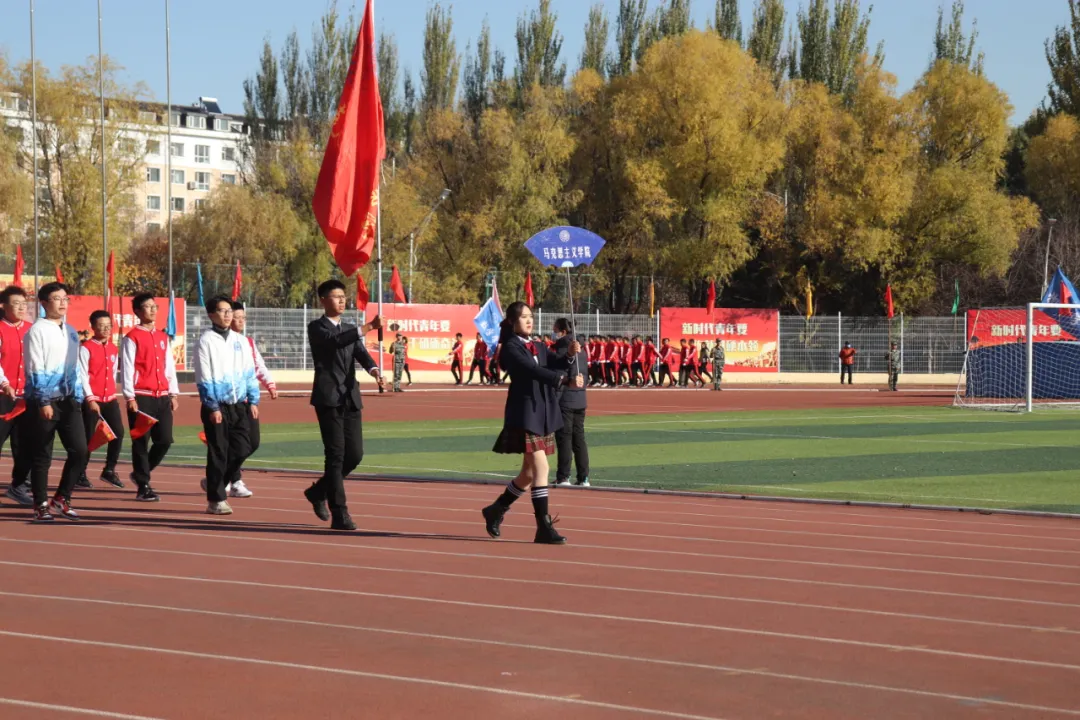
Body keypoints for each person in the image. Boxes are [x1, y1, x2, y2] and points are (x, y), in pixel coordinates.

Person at [481, 302, 580, 545]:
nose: (529, 320)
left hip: (543, 410)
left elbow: (555, 362)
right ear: (512, 321)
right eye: (523, 317)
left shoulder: (537, 344)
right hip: (526, 412)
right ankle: (543, 527)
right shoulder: (511, 348)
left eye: (531, 316)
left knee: (527, 474)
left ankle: (496, 509)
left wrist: (569, 355)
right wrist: (564, 381)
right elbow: (531, 371)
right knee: (541, 468)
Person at [303, 279, 384, 531]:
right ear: (323, 300)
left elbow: (359, 352)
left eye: (343, 296)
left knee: (354, 455)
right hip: (328, 398)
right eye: (336, 296)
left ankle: (318, 491)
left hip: (350, 396)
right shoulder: (317, 328)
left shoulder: (349, 328)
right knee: (335, 455)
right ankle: (340, 512)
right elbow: (336, 342)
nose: (341, 300)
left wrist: (374, 369)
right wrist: (368, 327)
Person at [24, 282, 87, 522]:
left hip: (69, 400)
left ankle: (61, 498)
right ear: (43, 303)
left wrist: (78, 396)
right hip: (43, 401)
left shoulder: (70, 331)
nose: (62, 303)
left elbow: (75, 367)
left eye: (65, 298)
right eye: (57, 298)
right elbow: (35, 367)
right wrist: (43, 401)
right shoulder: (37, 331)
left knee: (80, 450)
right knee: (43, 455)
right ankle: (40, 504)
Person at [195, 296, 259, 516]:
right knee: (219, 452)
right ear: (211, 315)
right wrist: (212, 406)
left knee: (244, 447)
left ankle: (215, 483)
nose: (227, 315)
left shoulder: (240, 341)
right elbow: (204, 376)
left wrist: (253, 399)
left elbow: (249, 372)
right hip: (217, 405)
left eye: (229, 311)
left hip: (238, 404)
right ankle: (216, 500)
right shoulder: (206, 341)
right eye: (222, 311)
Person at [120, 293, 179, 502]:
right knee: (141, 442)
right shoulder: (132, 337)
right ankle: (143, 486)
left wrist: (173, 393)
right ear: (137, 311)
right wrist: (130, 396)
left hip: (162, 396)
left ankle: (140, 473)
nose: (153, 310)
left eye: (155, 306)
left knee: (165, 440)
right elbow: (127, 368)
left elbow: (168, 366)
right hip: (141, 396)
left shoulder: (163, 337)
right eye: (147, 306)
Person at [218, 300, 278, 498]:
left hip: (246, 400)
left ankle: (221, 477)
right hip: (227, 401)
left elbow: (257, 366)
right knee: (235, 443)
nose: (241, 321)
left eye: (243, 317)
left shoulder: (247, 342)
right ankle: (234, 481)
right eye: (237, 317)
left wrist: (269, 384)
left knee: (252, 442)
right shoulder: (218, 342)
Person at [78, 310, 126, 489]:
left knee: (118, 432)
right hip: (91, 400)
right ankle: (80, 473)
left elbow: (112, 374)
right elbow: (82, 375)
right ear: (93, 327)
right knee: (88, 437)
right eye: (101, 326)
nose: (106, 329)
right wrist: (90, 398)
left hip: (110, 399)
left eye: (108, 325)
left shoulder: (113, 348)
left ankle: (109, 470)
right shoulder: (86, 348)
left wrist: (112, 392)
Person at [0, 286, 33, 507]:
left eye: (24, 303)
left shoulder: (32, 330)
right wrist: (4, 383)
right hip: (3, 396)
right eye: (16, 303)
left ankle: (18, 486)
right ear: (3, 306)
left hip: (26, 397)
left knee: (24, 445)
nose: (21, 307)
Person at [552, 319, 590, 488]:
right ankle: (584, 477)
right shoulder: (582, 349)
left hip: (566, 399)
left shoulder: (563, 348)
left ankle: (563, 476)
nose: (553, 334)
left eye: (555, 330)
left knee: (564, 438)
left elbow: (558, 373)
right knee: (579, 438)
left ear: (562, 331)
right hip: (580, 398)